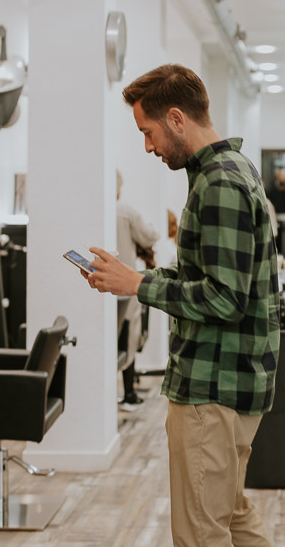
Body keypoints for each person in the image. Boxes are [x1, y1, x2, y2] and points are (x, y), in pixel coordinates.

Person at [84, 64, 280, 547]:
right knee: (231, 515)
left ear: (175, 118)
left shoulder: (219, 183)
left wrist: (138, 286)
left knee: (200, 534)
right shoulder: (233, 172)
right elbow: (209, 280)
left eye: (147, 133)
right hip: (231, 383)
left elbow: (224, 298)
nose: (147, 147)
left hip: (212, 388)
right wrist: (136, 278)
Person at [115, 169, 160, 407]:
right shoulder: (126, 211)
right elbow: (150, 236)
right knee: (129, 334)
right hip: (124, 281)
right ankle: (129, 392)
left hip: (101, 282)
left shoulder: (97, 210)